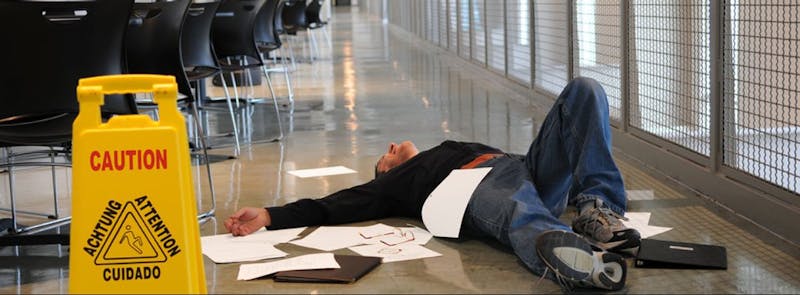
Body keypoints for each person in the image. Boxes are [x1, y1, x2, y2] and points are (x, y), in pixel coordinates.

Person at [225, 77, 640, 291]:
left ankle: (597, 211)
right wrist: (268, 215)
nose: (391, 146)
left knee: (584, 91)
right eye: (384, 157)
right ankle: (575, 260)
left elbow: (533, 161)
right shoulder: (402, 183)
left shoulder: (450, 145)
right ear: (386, 173)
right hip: (471, 188)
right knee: (517, 206)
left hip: (521, 168)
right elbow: (336, 203)